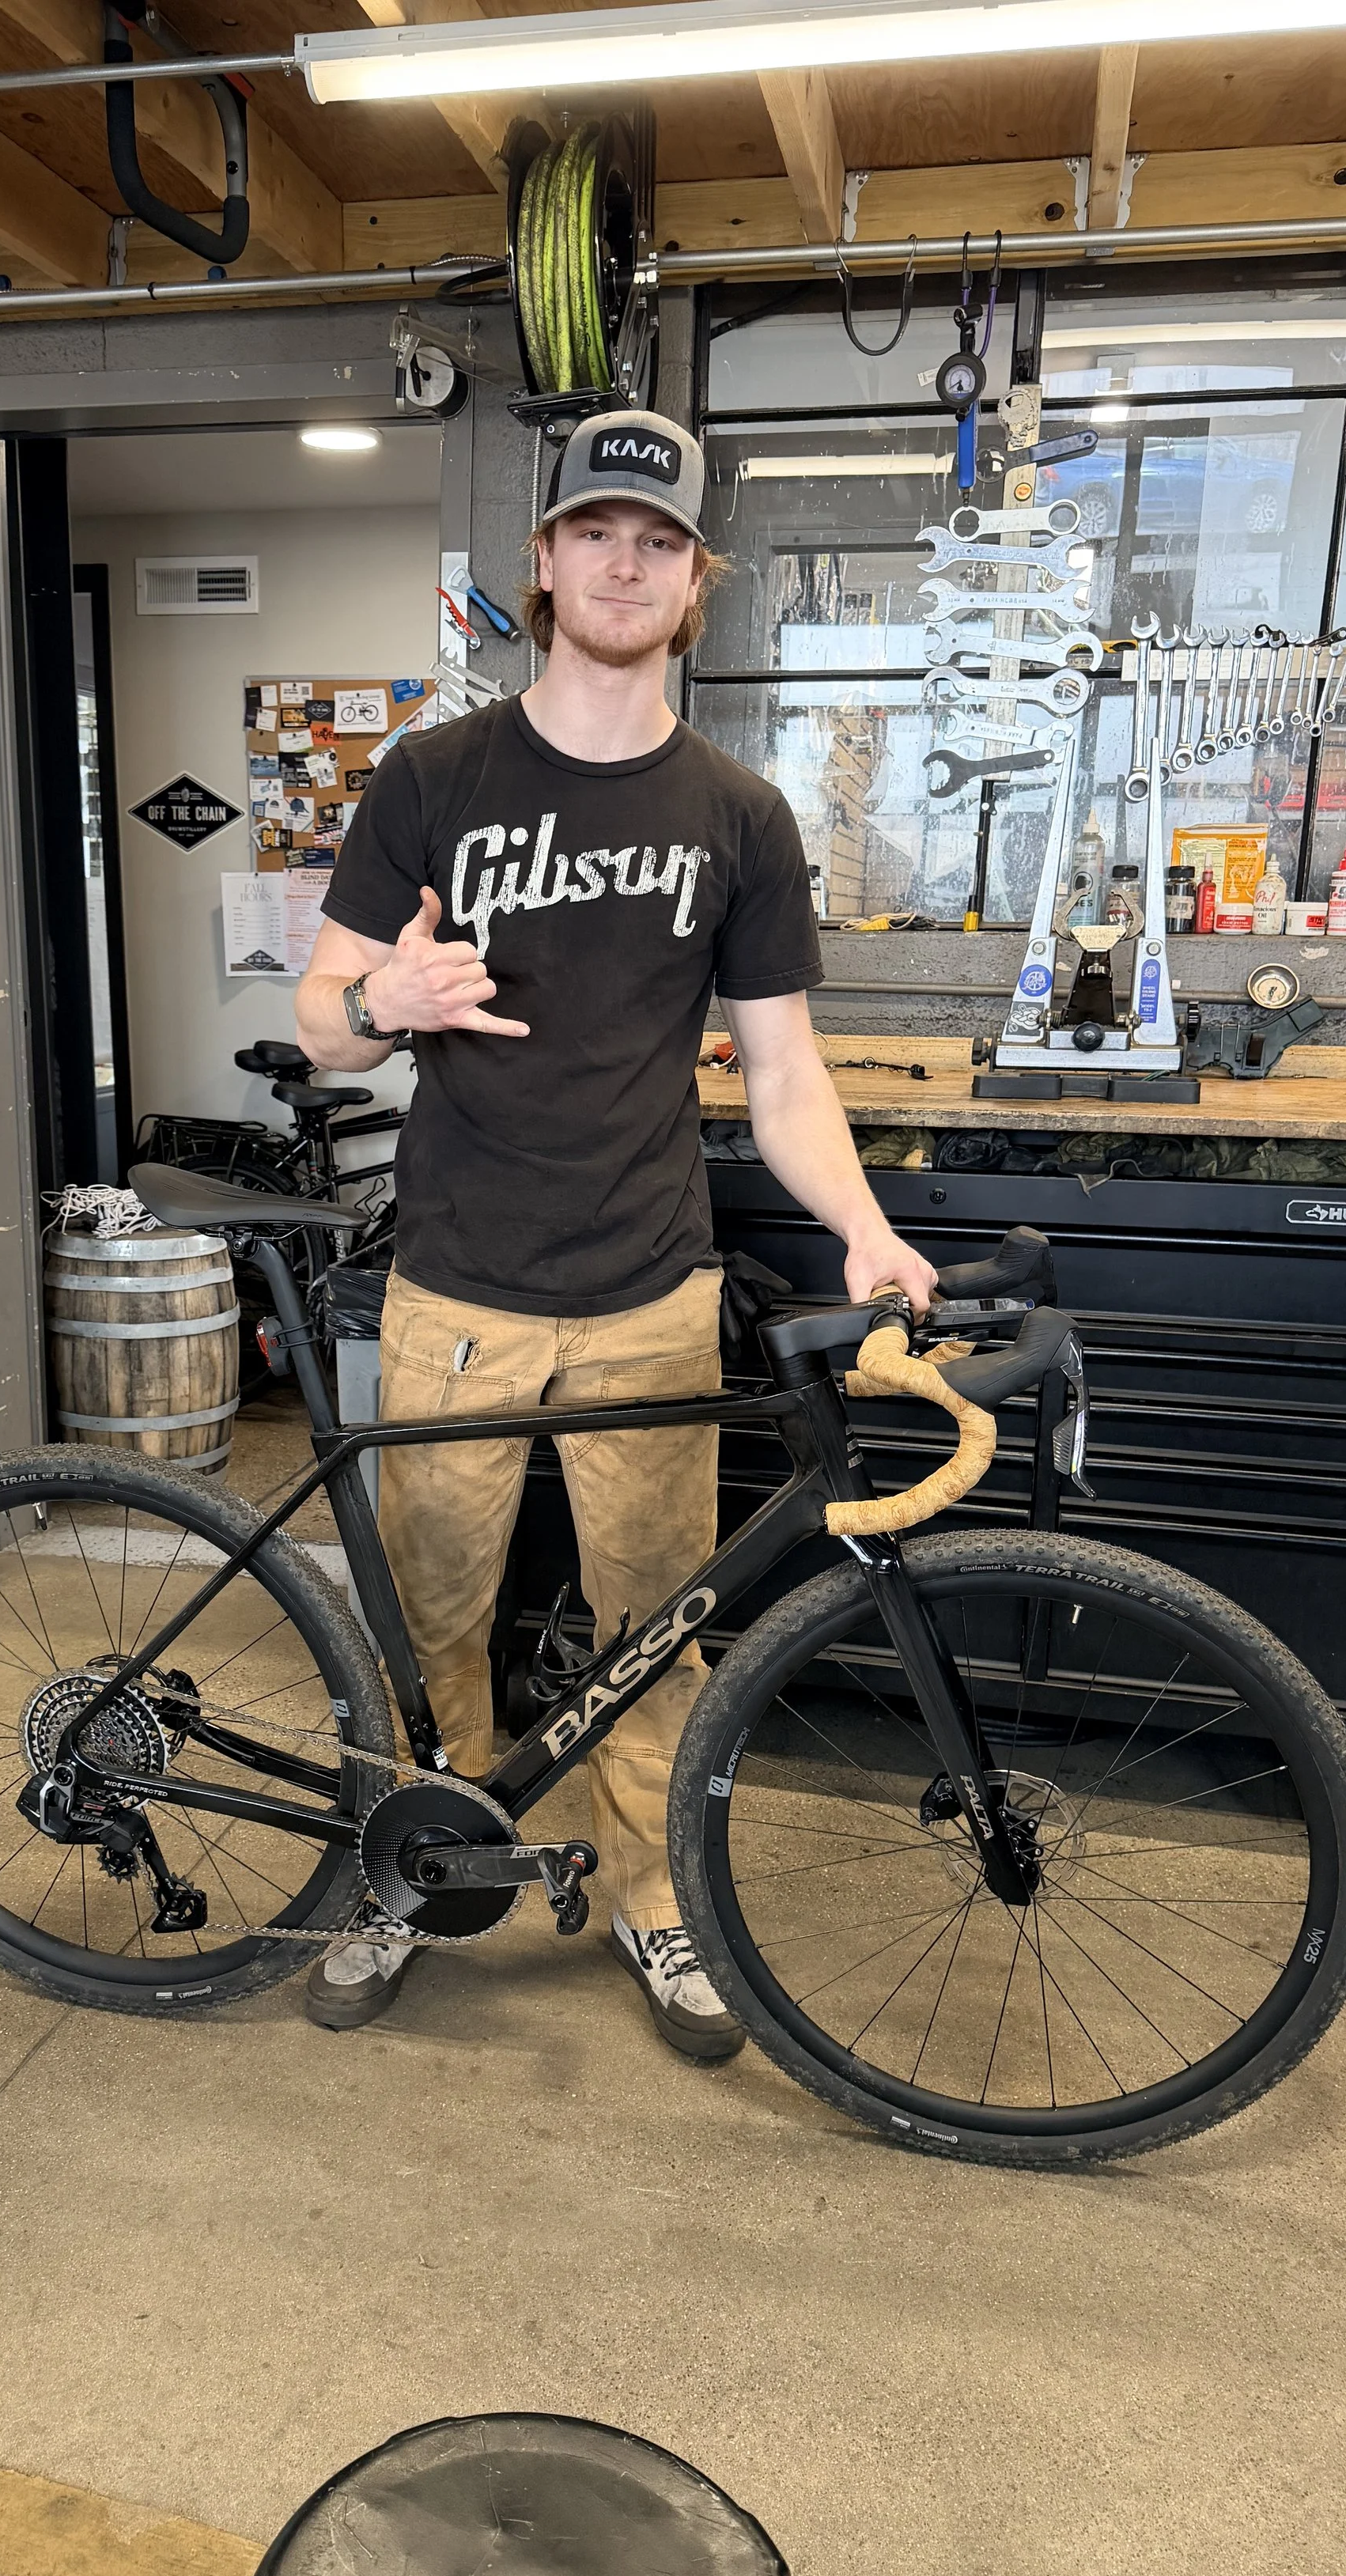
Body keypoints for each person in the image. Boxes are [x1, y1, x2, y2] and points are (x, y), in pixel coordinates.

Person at [293, 407, 937, 2059]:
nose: (623, 562)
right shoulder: (432, 778)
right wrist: (383, 995)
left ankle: (654, 1902)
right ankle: (416, 1868)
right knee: (430, 1618)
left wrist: (862, 1228)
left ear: (694, 579)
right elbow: (319, 1017)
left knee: (652, 1625)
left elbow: (781, 1070)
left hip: (650, 1288)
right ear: (545, 562)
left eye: (656, 541)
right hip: (451, 1285)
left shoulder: (739, 812)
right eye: (595, 533)